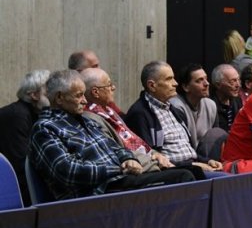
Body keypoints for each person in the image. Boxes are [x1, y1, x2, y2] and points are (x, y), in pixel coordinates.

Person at [30, 70, 194, 200]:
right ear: (59, 98)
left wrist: (128, 159)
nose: (85, 101)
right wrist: (119, 169)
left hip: (119, 183)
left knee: (192, 173)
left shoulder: (86, 120)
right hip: (96, 194)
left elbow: (116, 147)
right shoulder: (45, 128)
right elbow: (69, 172)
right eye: (79, 95)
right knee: (182, 178)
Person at [125, 61, 224, 176]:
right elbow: (150, 157)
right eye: (169, 79)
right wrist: (193, 165)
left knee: (226, 176)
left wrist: (207, 161)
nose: (175, 83)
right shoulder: (139, 114)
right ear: (152, 86)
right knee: (226, 180)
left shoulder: (172, 109)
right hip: (175, 173)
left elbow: (187, 150)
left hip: (191, 166)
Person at [80, 68, 174, 169]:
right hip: (135, 167)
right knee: (181, 174)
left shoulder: (108, 111)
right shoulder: (90, 119)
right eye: (109, 85)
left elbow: (134, 139)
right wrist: (154, 163)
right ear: (95, 92)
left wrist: (156, 154)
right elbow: (117, 152)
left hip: (147, 161)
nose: (113, 88)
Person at [0, 70, 50, 205]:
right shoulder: (17, 115)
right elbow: (21, 164)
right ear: (34, 95)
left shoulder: (36, 114)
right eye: (48, 93)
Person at [169, 63, 227, 159]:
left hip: (208, 157)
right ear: (186, 87)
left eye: (206, 79)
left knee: (218, 133)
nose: (206, 83)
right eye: (199, 81)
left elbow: (216, 137)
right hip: (186, 157)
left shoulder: (210, 105)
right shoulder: (176, 106)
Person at [211, 64, 243, 132]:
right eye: (232, 81)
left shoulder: (237, 100)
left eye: (238, 80)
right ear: (218, 85)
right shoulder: (210, 105)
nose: (238, 85)